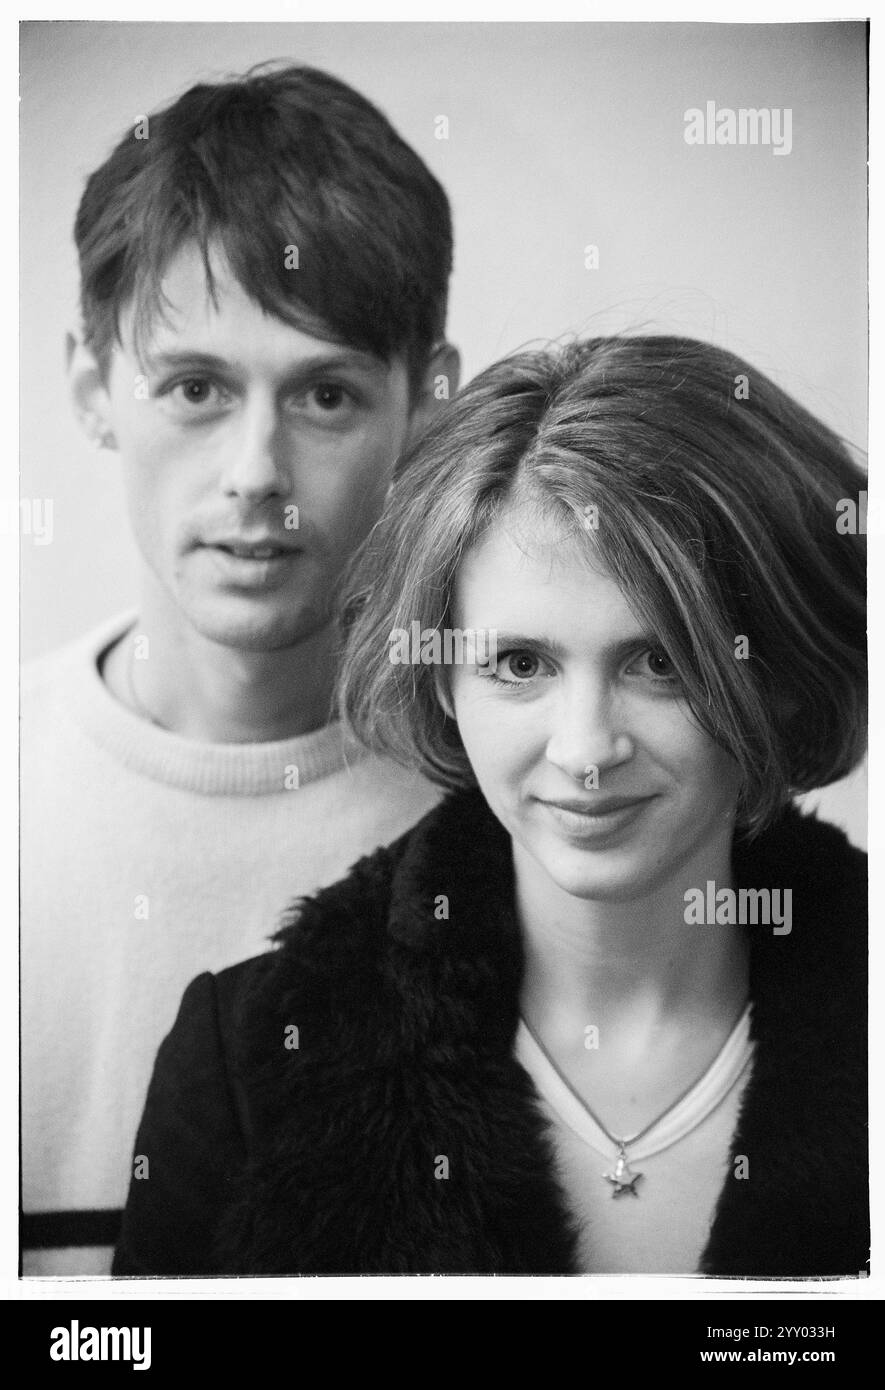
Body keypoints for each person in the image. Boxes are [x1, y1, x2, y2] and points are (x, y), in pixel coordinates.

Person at [113, 336, 867, 1277]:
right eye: (520, 665)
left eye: (659, 663)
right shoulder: (245, 1060)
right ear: (439, 682)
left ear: (782, 677)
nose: (586, 749)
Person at [21, 61, 459, 1274]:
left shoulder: (529, 816)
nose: (255, 470)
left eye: (324, 392)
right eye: (197, 387)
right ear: (93, 387)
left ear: (428, 405)